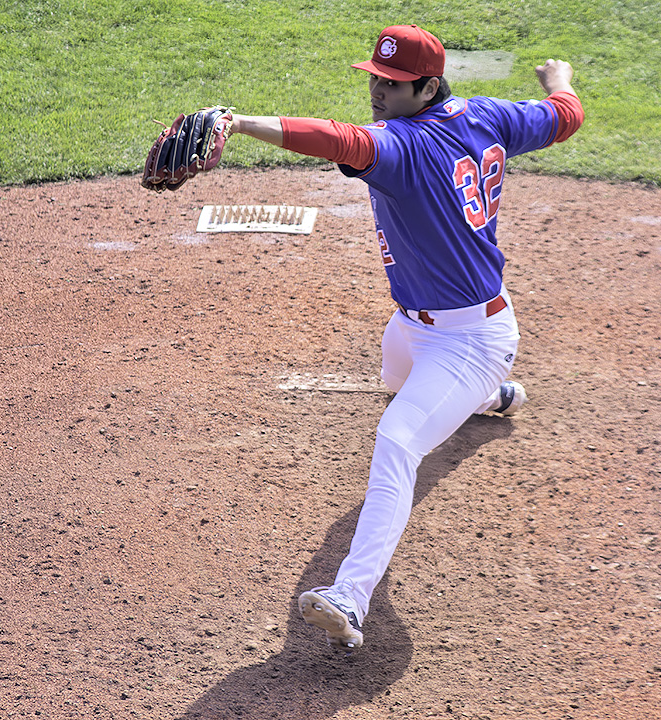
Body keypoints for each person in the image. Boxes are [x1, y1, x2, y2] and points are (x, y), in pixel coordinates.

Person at [227, 24, 584, 650]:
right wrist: (560, 82)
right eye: (374, 78)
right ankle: (487, 398)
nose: (378, 90)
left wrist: (240, 123)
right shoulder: (489, 116)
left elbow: (331, 137)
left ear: (427, 85)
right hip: (410, 328)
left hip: (472, 339)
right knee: (398, 384)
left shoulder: (403, 148)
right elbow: (564, 116)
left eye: (392, 84)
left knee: (396, 441)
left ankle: (350, 597)